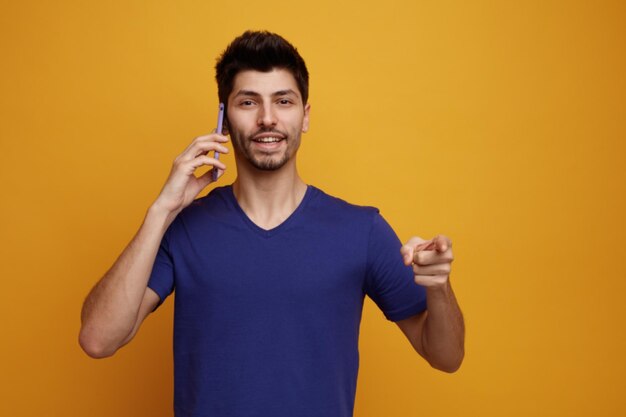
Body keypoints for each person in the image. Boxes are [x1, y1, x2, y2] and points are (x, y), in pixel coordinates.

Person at [79, 30, 464, 417]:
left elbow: (446, 356)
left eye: (283, 101)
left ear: (305, 115)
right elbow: (98, 339)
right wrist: (162, 210)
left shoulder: (361, 230)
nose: (267, 118)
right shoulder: (183, 229)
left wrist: (439, 287)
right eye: (248, 102)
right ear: (224, 119)